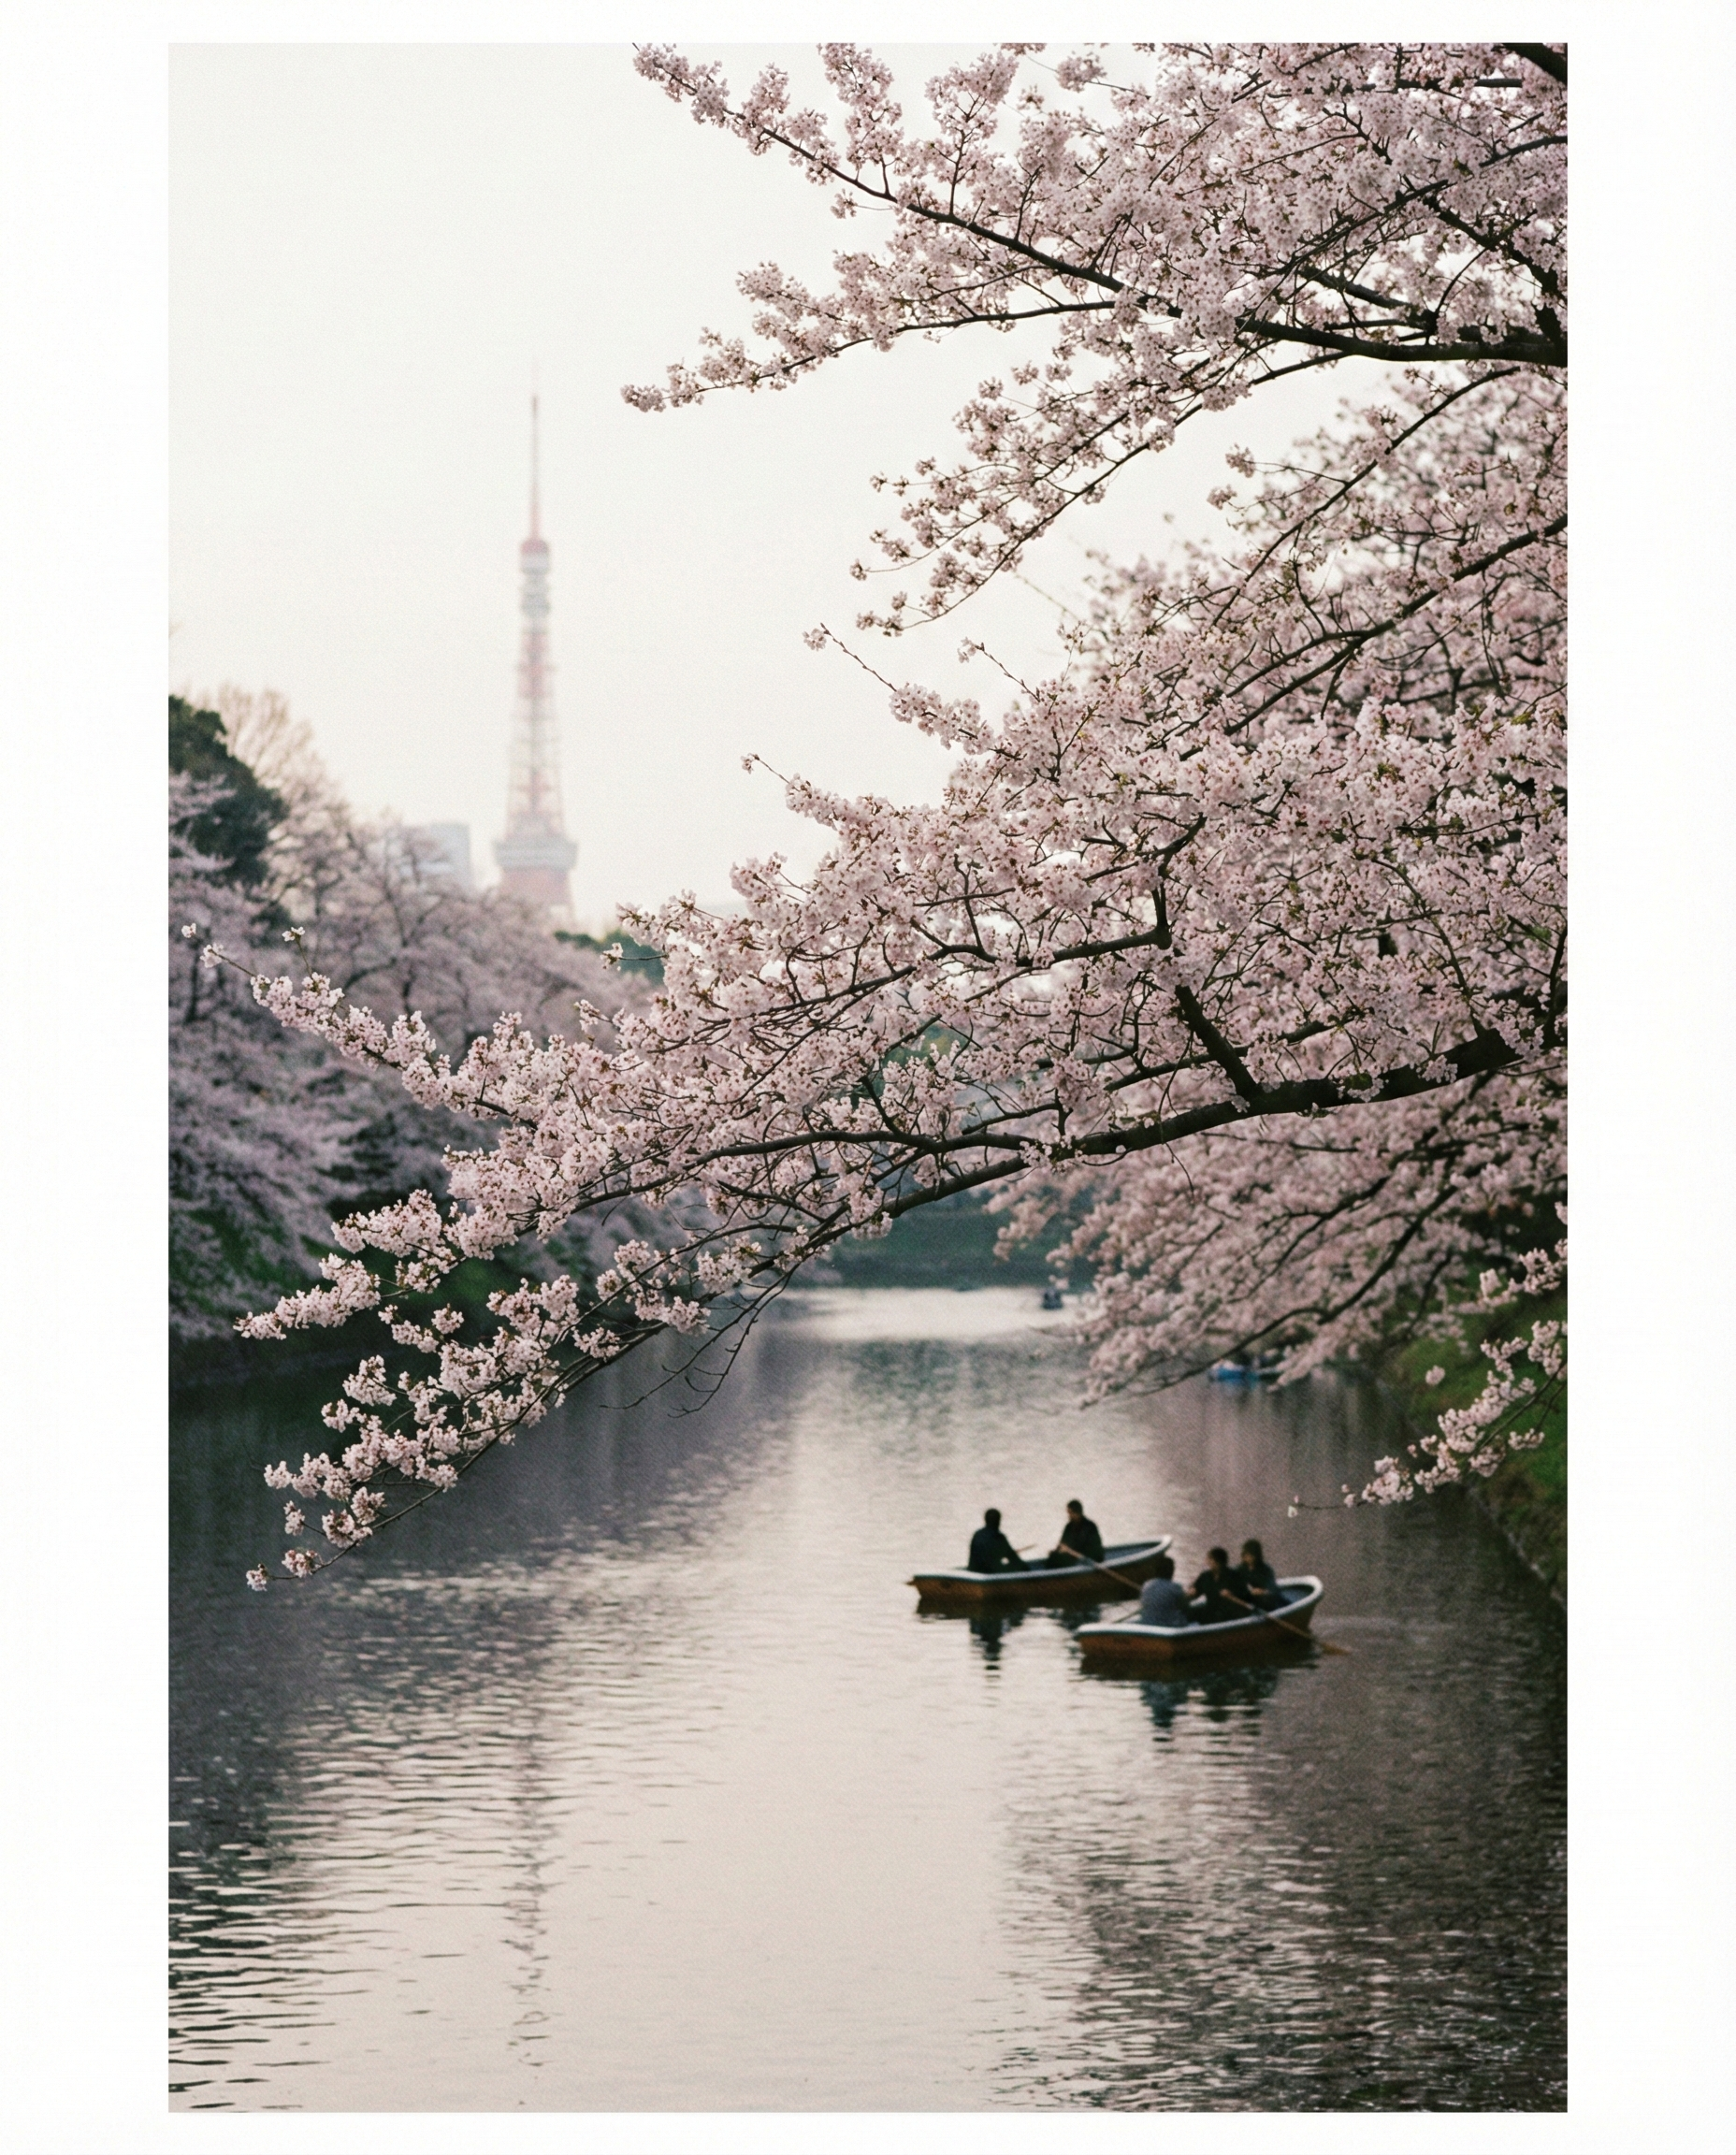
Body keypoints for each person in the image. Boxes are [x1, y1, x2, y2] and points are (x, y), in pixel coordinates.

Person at [1137, 1554, 1194, 1627]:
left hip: (1147, 1624)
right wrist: (1189, 1597)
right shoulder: (1175, 1587)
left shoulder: (1146, 1585)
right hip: (1167, 1626)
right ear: (1171, 1571)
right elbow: (1186, 1609)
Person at [1047, 1499, 1105, 1568]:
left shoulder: (1090, 1526)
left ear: (1077, 1513)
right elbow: (1063, 1543)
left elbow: (1094, 1548)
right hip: (1074, 1556)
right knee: (1053, 1557)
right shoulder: (1069, 1526)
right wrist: (1056, 1551)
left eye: (1070, 1513)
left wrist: (1069, 1551)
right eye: (1068, 1513)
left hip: (1089, 1557)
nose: (1068, 1516)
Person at [966, 1509, 1027, 1573]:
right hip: (989, 1574)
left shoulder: (977, 1534)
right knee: (1019, 1567)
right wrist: (1025, 1568)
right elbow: (1014, 1559)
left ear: (985, 1520)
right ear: (998, 1521)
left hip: (973, 1572)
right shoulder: (998, 1537)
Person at [1190, 1546, 1240, 1625]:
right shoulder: (1205, 1576)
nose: (1207, 1562)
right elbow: (1196, 1590)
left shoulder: (1233, 1575)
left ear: (1219, 1562)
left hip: (1228, 1613)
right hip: (1210, 1609)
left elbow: (1243, 1594)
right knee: (1191, 1612)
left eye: (1210, 1559)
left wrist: (1231, 1593)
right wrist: (1191, 1591)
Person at [1231, 1538, 1282, 1611]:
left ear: (1255, 1556)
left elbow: (1272, 1588)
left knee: (1266, 1601)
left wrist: (1262, 1592)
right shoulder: (1241, 1569)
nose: (1245, 1557)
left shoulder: (1266, 1570)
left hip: (1266, 1599)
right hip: (1250, 1599)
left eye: (1248, 1555)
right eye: (1245, 1554)